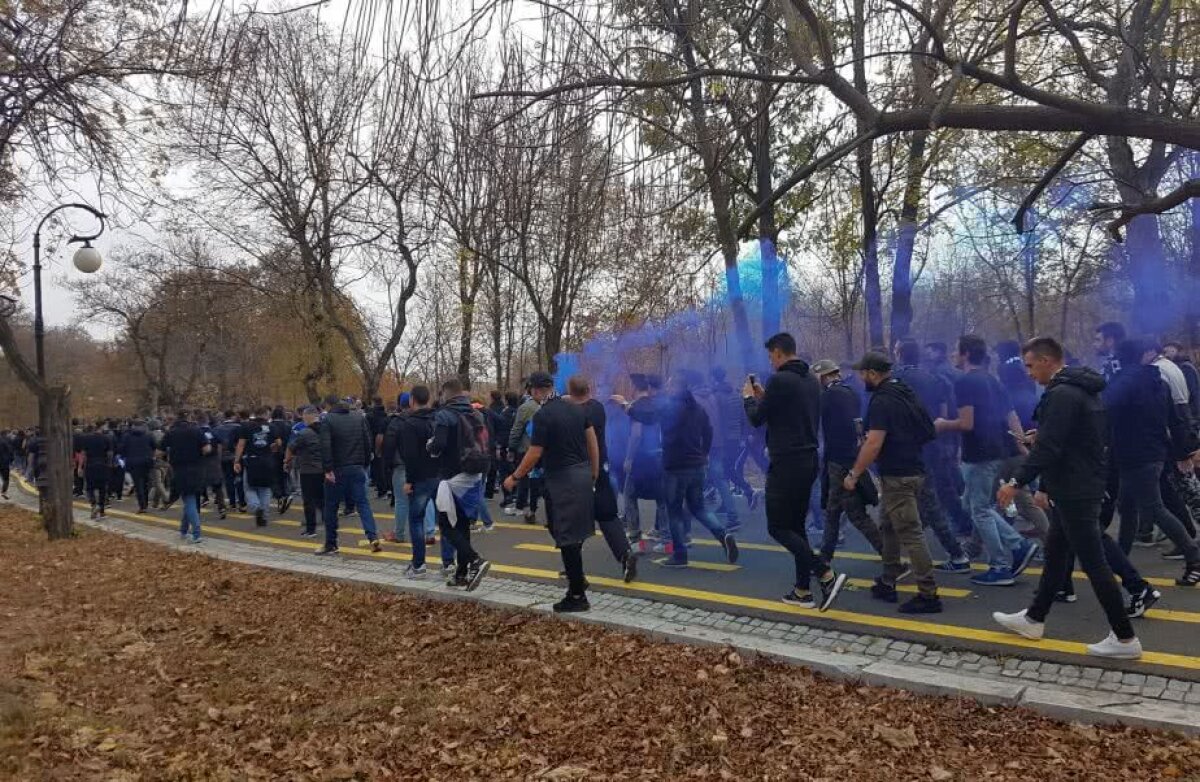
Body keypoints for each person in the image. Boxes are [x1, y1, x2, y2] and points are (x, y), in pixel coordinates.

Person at [993, 337, 1143, 659]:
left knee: (1094, 564)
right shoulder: (1081, 390)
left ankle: (1125, 638)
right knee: (1056, 554)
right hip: (1077, 485)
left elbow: (1050, 449)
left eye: (1031, 366)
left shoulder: (1061, 394)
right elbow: (1073, 438)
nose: (1029, 374)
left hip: (1076, 490)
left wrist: (1017, 482)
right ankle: (1034, 618)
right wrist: (1042, 437)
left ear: (1047, 360)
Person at [744, 332, 848, 611]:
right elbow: (789, 412)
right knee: (797, 527)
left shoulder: (779, 379)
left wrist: (748, 399)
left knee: (777, 527)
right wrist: (765, 398)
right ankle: (802, 592)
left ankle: (824, 573)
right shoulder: (811, 380)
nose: (770, 361)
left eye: (771, 356)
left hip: (786, 462)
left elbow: (756, 420)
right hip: (809, 459)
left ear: (778, 352)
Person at [934, 335, 1039, 586]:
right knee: (974, 506)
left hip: (979, 453)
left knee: (979, 510)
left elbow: (966, 423)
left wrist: (942, 424)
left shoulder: (965, 382)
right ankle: (1016, 546)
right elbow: (1011, 416)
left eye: (956, 351)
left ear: (966, 354)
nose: (952, 356)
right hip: (995, 451)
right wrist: (1022, 444)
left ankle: (1002, 564)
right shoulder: (993, 380)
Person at [844, 353, 942, 613]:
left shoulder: (882, 400)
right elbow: (928, 429)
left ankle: (928, 594)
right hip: (913, 468)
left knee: (911, 532)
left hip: (899, 475)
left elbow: (874, 442)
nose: (860, 378)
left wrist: (854, 474)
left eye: (862, 373)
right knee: (887, 524)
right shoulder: (903, 391)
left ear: (873, 374)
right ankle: (889, 579)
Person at [1105, 338, 1200, 586]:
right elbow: (1175, 419)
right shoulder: (1157, 380)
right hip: (1153, 452)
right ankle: (1120, 559)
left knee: (1152, 508)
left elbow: (1104, 413)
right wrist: (1182, 452)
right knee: (1127, 507)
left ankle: (1194, 557)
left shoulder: (1124, 382)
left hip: (1136, 454)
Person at [506, 374, 601, 611]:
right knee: (568, 532)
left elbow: (535, 452)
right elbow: (593, 443)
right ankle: (577, 577)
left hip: (561, 479)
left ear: (537, 391)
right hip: (582, 475)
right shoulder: (578, 409)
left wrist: (515, 476)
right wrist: (594, 474)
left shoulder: (543, 415)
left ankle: (577, 595)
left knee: (565, 535)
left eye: (530, 391)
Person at [656, 370, 739, 569]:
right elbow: (709, 431)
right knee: (699, 508)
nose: (667, 388)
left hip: (676, 466)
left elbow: (651, 418)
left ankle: (679, 554)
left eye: (670, 384)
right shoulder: (697, 408)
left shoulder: (671, 409)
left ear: (677, 387)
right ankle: (723, 534)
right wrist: (703, 453)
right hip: (697, 464)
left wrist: (628, 408)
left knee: (674, 511)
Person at [810, 359, 884, 564]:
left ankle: (890, 557)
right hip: (850, 456)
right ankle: (825, 556)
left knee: (856, 515)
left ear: (822, 376)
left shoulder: (829, 395)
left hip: (839, 461)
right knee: (833, 511)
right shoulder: (850, 392)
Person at [565, 376, 637, 582]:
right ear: (589, 388)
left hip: (579, 471)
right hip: (601, 469)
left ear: (571, 393)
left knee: (573, 521)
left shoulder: (571, 412)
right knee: (608, 516)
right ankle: (625, 554)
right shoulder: (597, 408)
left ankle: (573, 567)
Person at [430, 376, 492, 590]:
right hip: (474, 473)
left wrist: (430, 446)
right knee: (463, 523)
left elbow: (438, 445)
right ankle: (461, 574)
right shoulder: (476, 413)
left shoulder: (445, 415)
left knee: (446, 524)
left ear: (446, 393)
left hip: (452, 476)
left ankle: (475, 560)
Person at [397, 385, 454, 578]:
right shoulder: (438, 419)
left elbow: (410, 456)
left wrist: (409, 480)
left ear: (412, 400)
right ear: (428, 399)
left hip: (420, 478)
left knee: (416, 520)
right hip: (440, 476)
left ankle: (419, 565)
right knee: (444, 520)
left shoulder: (410, 424)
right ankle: (448, 564)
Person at [315, 395, 382, 555]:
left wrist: (327, 469)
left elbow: (325, 446)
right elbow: (367, 441)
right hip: (357, 467)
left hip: (337, 469)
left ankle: (331, 543)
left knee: (331, 506)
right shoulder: (358, 418)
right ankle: (372, 536)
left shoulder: (328, 420)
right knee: (363, 504)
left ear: (329, 406)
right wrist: (365, 462)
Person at [623, 373, 669, 543]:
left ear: (634, 387)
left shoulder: (636, 407)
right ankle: (666, 539)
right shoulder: (657, 405)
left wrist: (628, 458)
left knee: (629, 495)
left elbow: (636, 434)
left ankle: (635, 538)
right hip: (659, 454)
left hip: (642, 459)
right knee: (661, 498)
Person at [161, 411, 209, 544]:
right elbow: (207, 449)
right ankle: (183, 530)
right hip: (197, 468)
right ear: (188, 418)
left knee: (189, 500)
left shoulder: (171, 432)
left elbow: (159, 452)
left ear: (177, 418)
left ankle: (196, 533)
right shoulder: (197, 431)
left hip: (180, 469)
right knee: (191, 499)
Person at [233, 408, 280, 527]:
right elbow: (279, 443)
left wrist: (237, 460)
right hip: (268, 460)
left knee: (249, 488)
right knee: (265, 489)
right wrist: (272, 448)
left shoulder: (246, 426)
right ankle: (264, 514)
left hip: (251, 460)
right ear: (266, 415)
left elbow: (241, 444)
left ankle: (256, 506)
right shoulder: (272, 427)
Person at [284, 406, 324, 539]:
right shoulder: (326, 431)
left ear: (308, 417)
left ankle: (311, 529)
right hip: (324, 469)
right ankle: (327, 522)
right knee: (322, 498)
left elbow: (292, 448)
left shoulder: (304, 433)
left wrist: (286, 461)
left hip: (308, 470)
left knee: (309, 500)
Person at [508, 381, 543, 523]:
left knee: (523, 477)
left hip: (527, 448)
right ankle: (531, 507)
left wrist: (511, 447)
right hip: (543, 450)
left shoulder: (526, 408)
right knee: (536, 479)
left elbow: (517, 429)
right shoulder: (547, 407)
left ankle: (520, 506)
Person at [382, 393, 410, 543]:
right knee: (425, 500)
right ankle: (429, 532)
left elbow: (389, 445)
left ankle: (399, 533)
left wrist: (387, 465)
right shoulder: (427, 419)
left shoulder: (397, 422)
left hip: (401, 466)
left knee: (401, 501)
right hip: (422, 468)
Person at [76, 423, 113, 519]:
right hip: (103, 465)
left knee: (90, 488)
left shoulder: (86, 439)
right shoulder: (106, 438)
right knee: (102, 488)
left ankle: (93, 504)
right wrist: (109, 465)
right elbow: (109, 454)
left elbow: (83, 454)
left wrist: (80, 467)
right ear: (100, 428)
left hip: (90, 465)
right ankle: (102, 510)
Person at [119, 419, 155, 514]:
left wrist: (124, 456)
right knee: (146, 483)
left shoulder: (127, 436)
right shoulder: (148, 435)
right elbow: (154, 446)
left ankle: (142, 505)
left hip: (133, 462)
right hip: (147, 461)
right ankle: (146, 503)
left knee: (138, 484)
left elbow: (122, 449)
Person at [198, 413, 228, 520]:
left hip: (200, 462)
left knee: (198, 486)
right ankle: (222, 508)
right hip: (214, 461)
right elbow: (222, 444)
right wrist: (218, 457)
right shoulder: (214, 432)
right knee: (217, 486)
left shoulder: (197, 433)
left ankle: (197, 510)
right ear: (207, 422)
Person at [214, 411, 245, 513]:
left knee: (228, 480)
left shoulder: (217, 429)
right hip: (237, 456)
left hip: (224, 457)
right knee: (239, 479)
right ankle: (242, 503)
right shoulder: (239, 427)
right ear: (233, 416)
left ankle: (232, 504)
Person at [0, 430, 12, 500]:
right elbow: (10, 452)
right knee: (6, 479)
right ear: (5, 434)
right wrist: (11, 460)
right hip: (4, 463)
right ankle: (4, 492)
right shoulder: (5, 442)